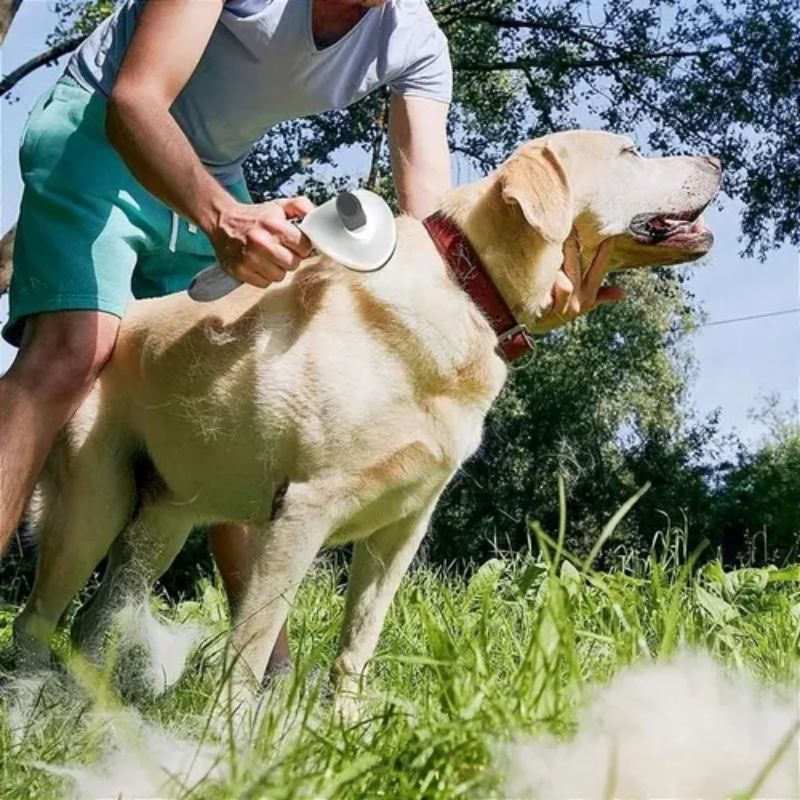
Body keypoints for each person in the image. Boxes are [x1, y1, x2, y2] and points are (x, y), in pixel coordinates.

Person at [0, 0, 618, 666]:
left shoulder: (415, 44)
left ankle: (270, 682)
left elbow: (436, 238)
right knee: (73, 352)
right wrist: (224, 219)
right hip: (101, 131)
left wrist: (520, 299)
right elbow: (135, 101)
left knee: (236, 384)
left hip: (213, 169)